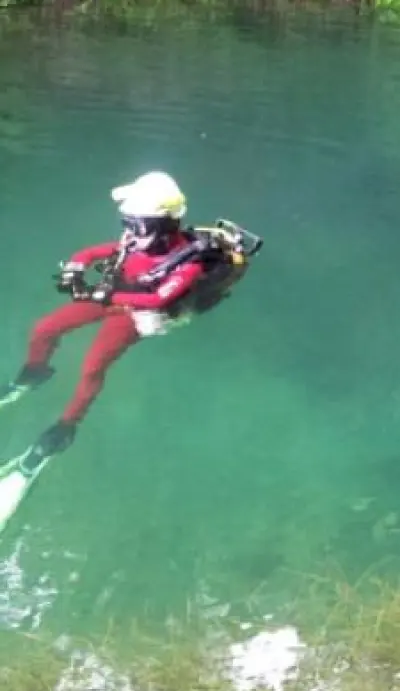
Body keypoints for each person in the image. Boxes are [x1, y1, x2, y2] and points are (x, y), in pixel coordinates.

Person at [0, 171, 261, 477]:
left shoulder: (188, 264)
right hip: (116, 296)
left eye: (135, 223)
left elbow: (157, 299)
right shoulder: (139, 241)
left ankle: (65, 428)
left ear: (160, 225)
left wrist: (104, 293)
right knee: (43, 329)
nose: (129, 230)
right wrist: (77, 266)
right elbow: (94, 251)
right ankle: (34, 374)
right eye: (127, 222)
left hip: (136, 315)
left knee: (92, 367)